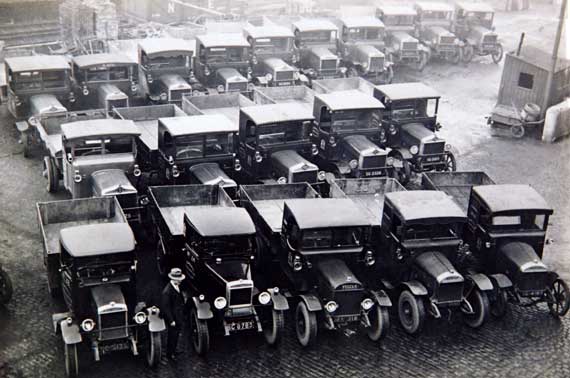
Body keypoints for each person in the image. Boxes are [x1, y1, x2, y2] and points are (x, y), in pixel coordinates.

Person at [161, 268, 186, 361]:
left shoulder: (176, 286)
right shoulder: (167, 292)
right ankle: (169, 354)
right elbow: (166, 307)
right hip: (173, 318)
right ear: (174, 279)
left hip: (178, 316)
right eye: (179, 280)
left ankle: (174, 350)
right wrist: (171, 320)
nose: (180, 281)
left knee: (175, 335)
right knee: (172, 336)